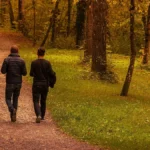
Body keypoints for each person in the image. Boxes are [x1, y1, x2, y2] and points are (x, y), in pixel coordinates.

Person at [1, 45, 27, 122]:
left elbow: (3, 71)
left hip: (10, 82)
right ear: (17, 51)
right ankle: (13, 115)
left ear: (10, 51)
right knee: (15, 99)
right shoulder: (22, 61)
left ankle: (12, 110)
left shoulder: (7, 60)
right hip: (18, 83)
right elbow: (24, 73)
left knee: (8, 98)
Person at [30, 47, 55, 123]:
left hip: (36, 84)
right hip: (45, 84)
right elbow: (52, 73)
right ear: (44, 54)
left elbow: (31, 74)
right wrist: (52, 82)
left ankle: (38, 115)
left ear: (37, 53)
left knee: (36, 100)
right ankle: (43, 116)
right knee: (43, 100)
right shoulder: (47, 63)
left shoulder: (34, 63)